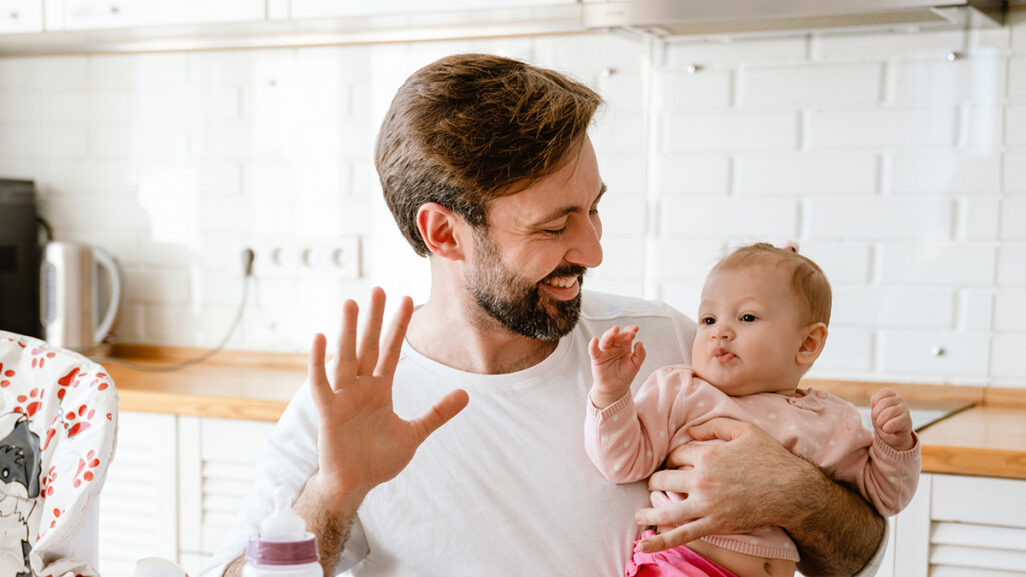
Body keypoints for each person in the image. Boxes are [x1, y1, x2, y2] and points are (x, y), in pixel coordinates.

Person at [204, 54, 887, 577]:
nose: (592, 247)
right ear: (444, 234)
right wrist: (333, 492)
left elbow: (861, 549)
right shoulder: (351, 404)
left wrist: (797, 495)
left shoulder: (674, 344)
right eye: (557, 224)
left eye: (594, 208)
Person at [585, 243, 921, 577]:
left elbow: (885, 498)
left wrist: (895, 445)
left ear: (807, 344)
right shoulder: (680, 389)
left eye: (747, 317)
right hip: (682, 567)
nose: (720, 331)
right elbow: (622, 464)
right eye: (708, 318)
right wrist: (611, 394)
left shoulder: (831, 419)